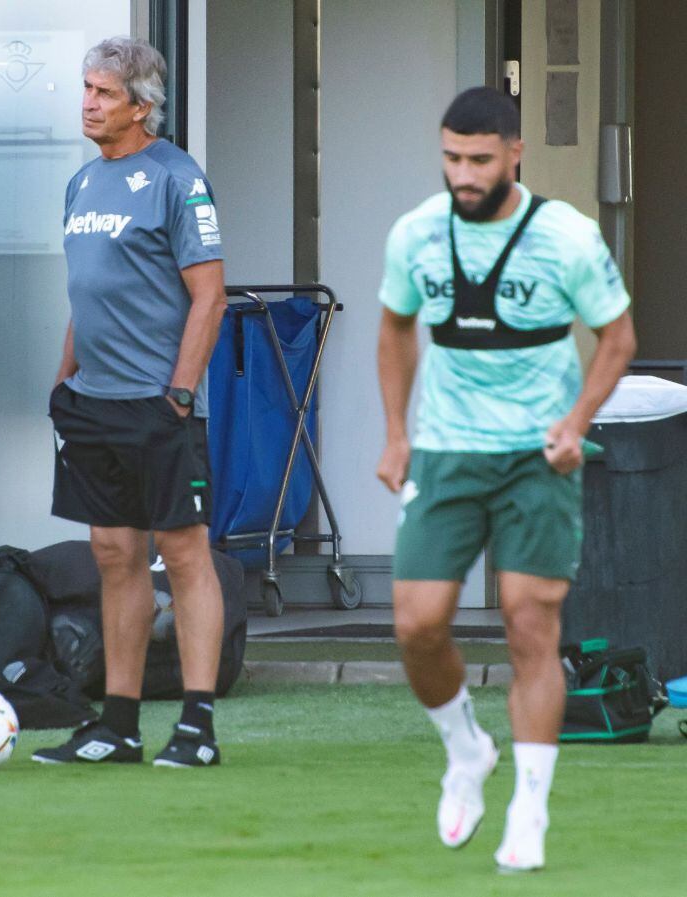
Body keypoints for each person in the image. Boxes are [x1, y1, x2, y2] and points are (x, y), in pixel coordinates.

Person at [375, 86, 636, 872]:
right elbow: (393, 327)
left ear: (515, 154)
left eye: (479, 160)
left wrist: (577, 421)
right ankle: (465, 750)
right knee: (417, 624)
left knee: (529, 621)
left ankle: (530, 806)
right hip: (448, 451)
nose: (463, 173)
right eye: (451, 157)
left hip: (537, 456)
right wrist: (395, 433)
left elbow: (618, 337)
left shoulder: (566, 236)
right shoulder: (416, 233)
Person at [33, 38, 227, 768]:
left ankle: (197, 726)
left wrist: (179, 394)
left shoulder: (178, 178)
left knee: (183, 554)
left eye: (105, 93)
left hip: (157, 403)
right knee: (114, 554)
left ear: (142, 106)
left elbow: (209, 297)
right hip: (92, 404)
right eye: (86, 88)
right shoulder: (82, 184)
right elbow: (87, 296)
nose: (89, 102)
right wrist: (62, 382)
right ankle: (118, 723)